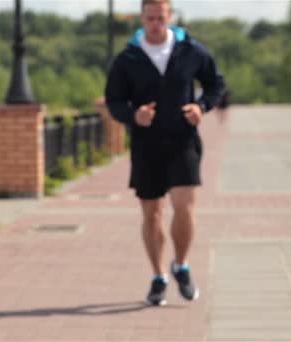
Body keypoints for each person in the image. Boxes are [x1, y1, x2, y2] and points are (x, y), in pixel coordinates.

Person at [104, 0, 225, 306]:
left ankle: (181, 266)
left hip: (183, 140)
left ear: (170, 17)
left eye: (161, 18)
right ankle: (158, 276)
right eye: (150, 18)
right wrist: (134, 116)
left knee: (184, 207)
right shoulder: (128, 59)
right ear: (142, 19)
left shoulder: (191, 51)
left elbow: (215, 83)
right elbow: (114, 100)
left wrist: (201, 106)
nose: (156, 23)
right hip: (147, 145)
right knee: (152, 212)